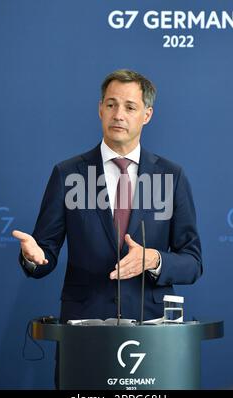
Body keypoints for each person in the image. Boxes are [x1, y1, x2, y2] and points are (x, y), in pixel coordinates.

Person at [13, 69, 202, 324]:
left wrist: (154, 259)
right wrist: (33, 258)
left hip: (152, 329)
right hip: (84, 326)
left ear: (147, 115)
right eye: (111, 104)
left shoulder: (172, 176)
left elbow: (192, 262)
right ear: (100, 109)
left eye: (130, 107)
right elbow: (45, 252)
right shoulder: (67, 174)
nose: (118, 115)